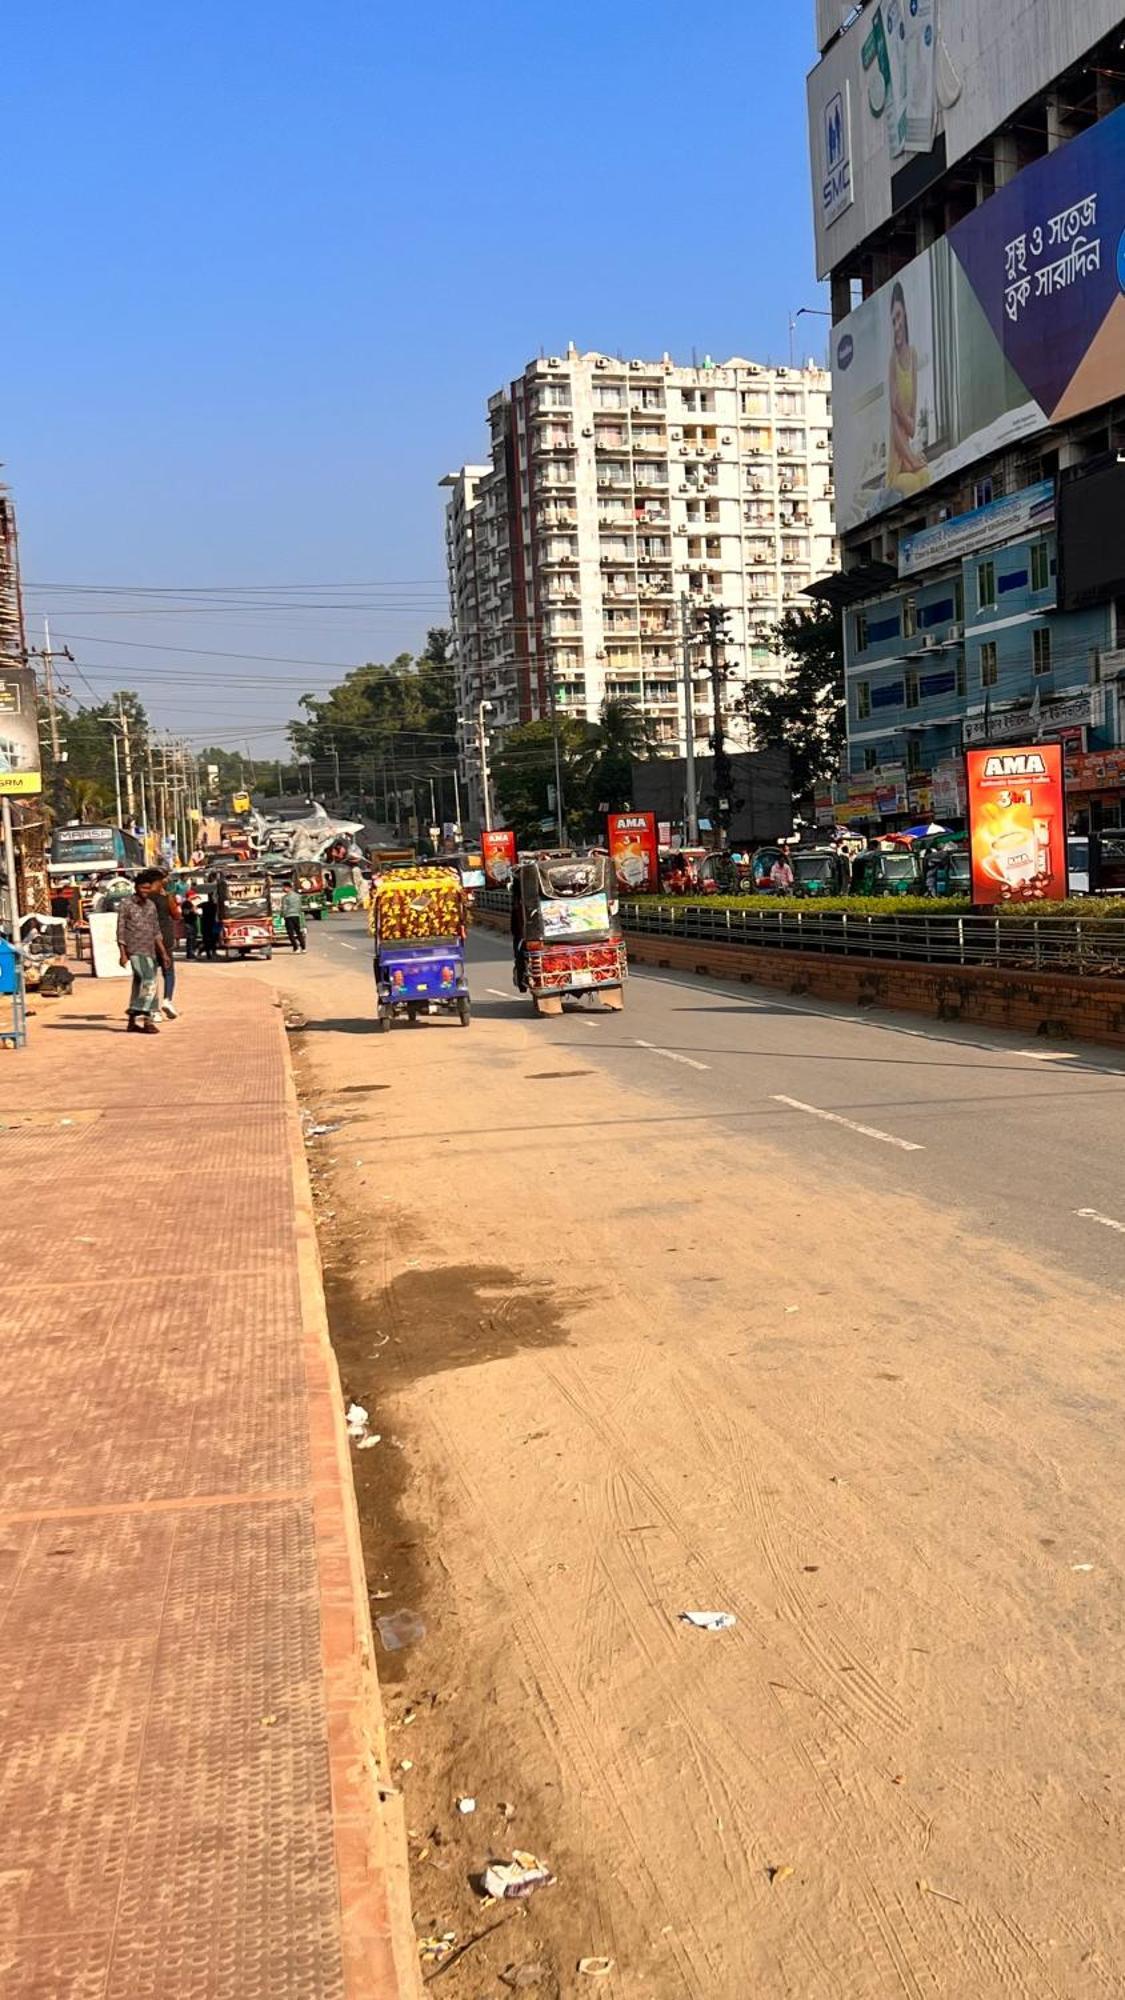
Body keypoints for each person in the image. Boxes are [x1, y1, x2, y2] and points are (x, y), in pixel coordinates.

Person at [887, 281, 930, 498]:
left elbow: (912, 428)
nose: (897, 325)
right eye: (893, 320)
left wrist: (901, 412)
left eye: (899, 317)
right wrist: (910, 460)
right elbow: (896, 431)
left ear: (905, 317)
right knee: (913, 485)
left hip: (909, 454)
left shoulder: (912, 355)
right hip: (898, 460)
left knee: (926, 477)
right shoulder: (892, 362)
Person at [116, 869, 170, 1034]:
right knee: (150, 981)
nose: (145, 892)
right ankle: (146, 1018)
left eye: (148, 889)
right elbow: (120, 930)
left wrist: (164, 954)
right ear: (136, 887)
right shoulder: (126, 904)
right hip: (135, 950)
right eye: (142, 889)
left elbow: (156, 931)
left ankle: (132, 1021)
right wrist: (123, 953)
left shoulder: (151, 906)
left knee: (140, 984)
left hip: (150, 950)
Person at [153, 870, 182, 1018]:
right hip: (165, 939)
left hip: (146, 941)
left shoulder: (141, 899)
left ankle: (153, 1010)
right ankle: (167, 1000)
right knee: (168, 972)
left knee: (150, 976)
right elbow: (177, 915)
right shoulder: (166, 899)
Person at [280, 883, 306, 951]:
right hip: (296, 915)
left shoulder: (285, 898)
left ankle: (295, 947)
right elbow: (300, 906)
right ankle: (303, 948)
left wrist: (282, 915)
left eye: (284, 887)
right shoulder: (298, 896)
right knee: (298, 932)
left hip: (288, 916)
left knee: (290, 933)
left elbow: (284, 908)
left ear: (288, 888)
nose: (283, 889)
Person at [199, 887, 220, 961]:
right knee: (212, 939)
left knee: (208, 939)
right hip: (211, 924)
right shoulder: (215, 905)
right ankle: (210, 952)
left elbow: (197, 907)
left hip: (206, 924)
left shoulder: (205, 904)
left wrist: (200, 915)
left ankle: (209, 953)